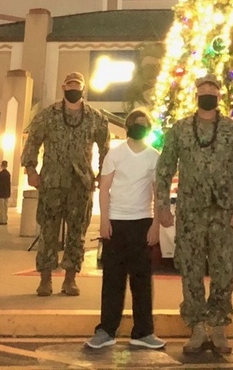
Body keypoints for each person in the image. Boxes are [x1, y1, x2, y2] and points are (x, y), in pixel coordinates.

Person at [156, 74, 233, 355]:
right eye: (202, 90)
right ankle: (197, 327)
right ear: (196, 95)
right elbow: (164, 169)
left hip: (223, 213)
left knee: (223, 270)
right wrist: (162, 206)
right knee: (190, 270)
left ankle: (219, 328)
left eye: (212, 90)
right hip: (190, 213)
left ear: (219, 96)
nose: (207, 94)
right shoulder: (180, 130)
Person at [22, 71, 110, 297]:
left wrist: (102, 173)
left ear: (83, 89)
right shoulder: (48, 115)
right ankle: (45, 279)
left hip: (80, 183)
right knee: (48, 231)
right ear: (63, 88)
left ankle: (70, 279)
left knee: (77, 233)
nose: (73, 88)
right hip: (52, 181)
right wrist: (31, 170)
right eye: (70, 85)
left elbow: (105, 147)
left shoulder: (95, 118)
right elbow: (32, 141)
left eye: (77, 85)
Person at [85, 108, 165, 351]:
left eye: (143, 124)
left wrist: (155, 225)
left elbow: (158, 192)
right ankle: (106, 330)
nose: (139, 127)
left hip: (142, 222)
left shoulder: (154, 157)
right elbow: (105, 187)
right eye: (135, 123)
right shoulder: (115, 154)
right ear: (128, 126)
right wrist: (104, 220)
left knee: (142, 281)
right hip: (116, 223)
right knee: (112, 280)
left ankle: (143, 332)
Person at [0, 160, 11, 225]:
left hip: (1, 192)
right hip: (6, 193)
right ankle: (5, 219)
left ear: (1, 165)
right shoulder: (8, 174)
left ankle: (2, 220)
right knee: (5, 207)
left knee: (1, 207)